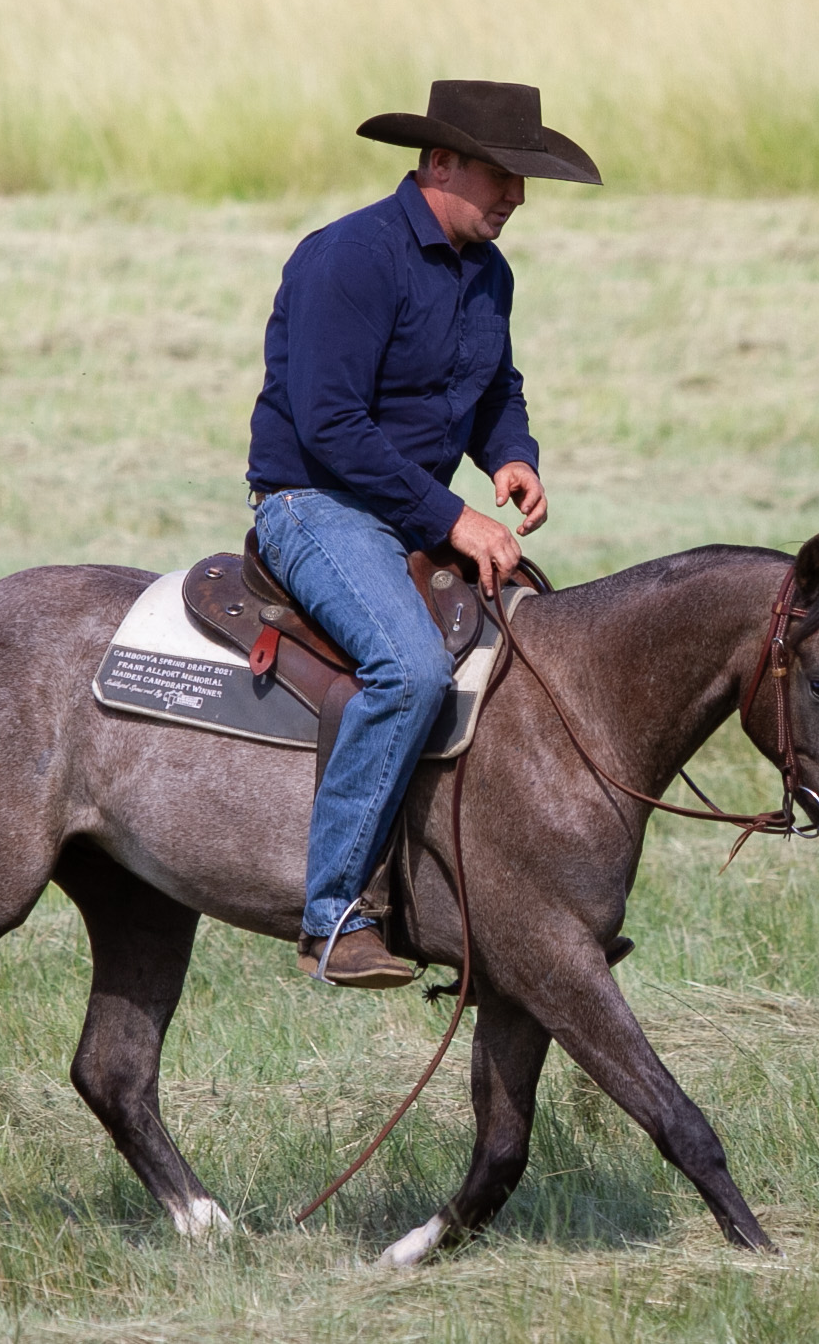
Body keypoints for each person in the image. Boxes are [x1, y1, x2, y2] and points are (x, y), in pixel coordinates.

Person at [246, 80, 602, 987]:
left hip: (406, 507)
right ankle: (333, 916)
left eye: (523, 180)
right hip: (314, 504)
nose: (516, 197)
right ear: (439, 163)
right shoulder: (349, 259)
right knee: (408, 670)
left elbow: (495, 388)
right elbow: (329, 425)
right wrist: (454, 517)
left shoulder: (489, 272)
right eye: (500, 175)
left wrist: (510, 453)